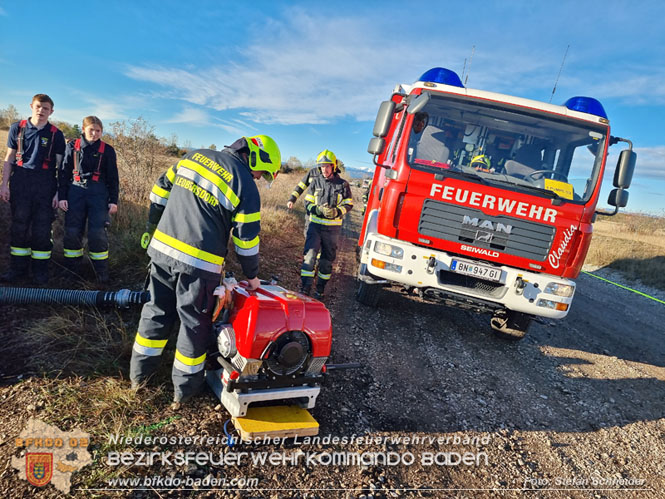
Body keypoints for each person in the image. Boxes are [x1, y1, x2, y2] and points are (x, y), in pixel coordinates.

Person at [130, 135, 281, 407]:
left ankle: (138, 379)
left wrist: (154, 228)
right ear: (255, 157)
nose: (259, 178)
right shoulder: (244, 182)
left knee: (155, 312)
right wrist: (252, 276)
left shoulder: (193, 157)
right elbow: (246, 240)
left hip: (161, 252)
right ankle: (183, 393)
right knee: (193, 326)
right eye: (262, 172)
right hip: (198, 265)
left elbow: (158, 192)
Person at [0, 94, 66, 284]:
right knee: (19, 227)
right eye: (38, 107)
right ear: (31, 106)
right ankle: (17, 271)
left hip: (45, 185)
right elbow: (9, 158)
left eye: (46, 108)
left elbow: (61, 167)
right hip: (21, 182)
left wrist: (58, 192)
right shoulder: (17, 128)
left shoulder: (56, 134)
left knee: (42, 230)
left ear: (51, 111)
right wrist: (4, 185)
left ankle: (40, 273)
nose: (41, 111)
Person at [58, 116, 119, 283]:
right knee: (72, 232)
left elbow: (113, 178)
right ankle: (72, 271)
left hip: (98, 194)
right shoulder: (72, 146)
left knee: (97, 234)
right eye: (91, 129)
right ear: (83, 129)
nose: (94, 133)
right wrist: (62, 196)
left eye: (98, 130)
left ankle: (100, 272)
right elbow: (63, 173)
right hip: (75, 192)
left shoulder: (107, 150)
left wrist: (114, 201)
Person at [289, 149, 353, 299]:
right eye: (322, 166)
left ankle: (320, 290)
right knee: (309, 257)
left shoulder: (343, 185)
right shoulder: (316, 181)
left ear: (334, 166)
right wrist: (317, 209)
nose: (324, 169)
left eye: (327, 166)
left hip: (332, 231)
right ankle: (305, 287)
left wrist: (337, 211)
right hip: (314, 227)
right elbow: (307, 202)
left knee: (326, 262)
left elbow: (349, 204)